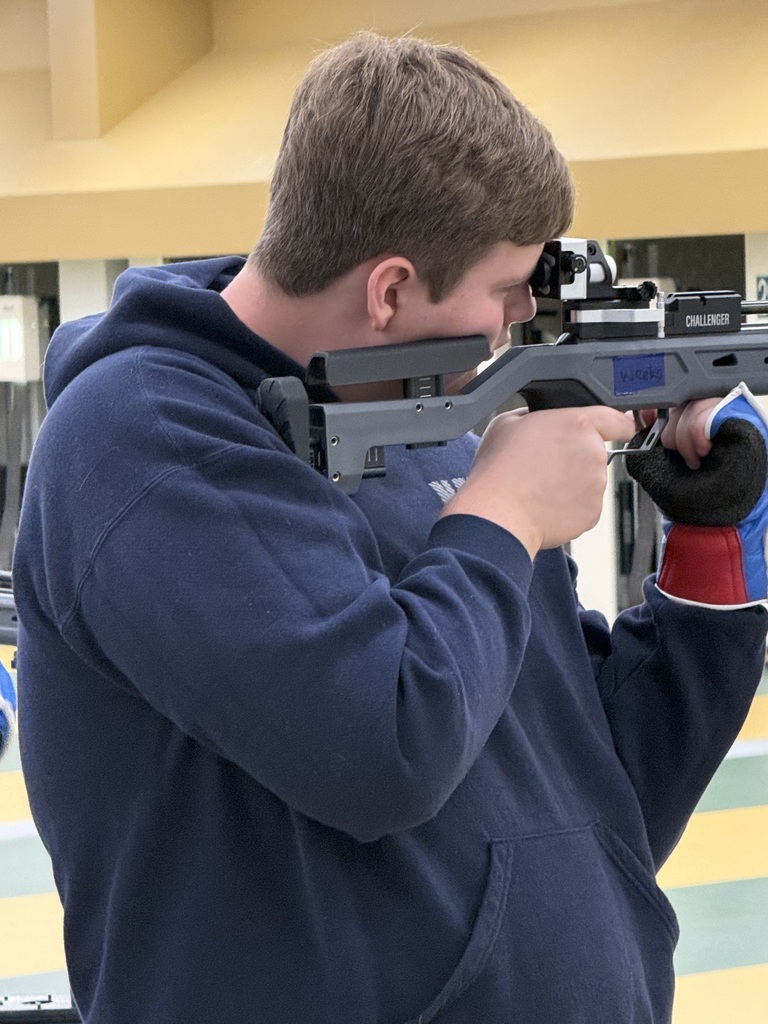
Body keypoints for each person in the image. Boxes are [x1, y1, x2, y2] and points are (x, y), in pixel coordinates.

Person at [12, 31, 767, 1024]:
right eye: (508, 290)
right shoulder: (143, 438)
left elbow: (589, 797)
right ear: (393, 290)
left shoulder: (413, 413)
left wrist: (712, 553)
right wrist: (505, 510)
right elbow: (383, 746)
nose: (519, 319)